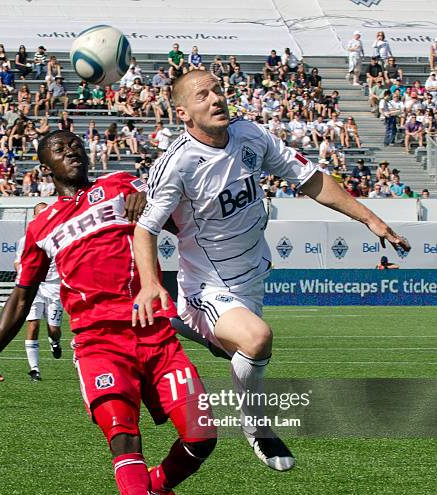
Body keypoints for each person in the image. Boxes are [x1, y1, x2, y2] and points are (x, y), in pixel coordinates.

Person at [0, 130, 216, 495]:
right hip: (99, 345)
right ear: (44, 167)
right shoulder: (41, 226)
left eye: (75, 144)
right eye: (59, 149)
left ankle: (159, 484)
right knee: (123, 440)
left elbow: (181, 220)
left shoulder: (120, 184)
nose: (71, 151)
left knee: (203, 437)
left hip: (155, 331)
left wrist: (149, 206)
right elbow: (22, 295)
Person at [132, 70, 410, 470]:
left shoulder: (251, 135)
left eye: (219, 91)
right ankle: (257, 428)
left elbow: (311, 179)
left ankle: (204, 333)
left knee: (248, 345)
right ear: (183, 114)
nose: (216, 99)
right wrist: (149, 284)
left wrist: (369, 219)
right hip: (208, 287)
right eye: (202, 96)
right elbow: (145, 229)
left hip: (251, 279)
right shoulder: (179, 163)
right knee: (258, 339)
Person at [14, 203, 63, 382]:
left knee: (54, 329)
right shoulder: (25, 239)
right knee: (33, 325)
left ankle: (55, 342)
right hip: (35, 286)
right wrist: (22, 274)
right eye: (40, 214)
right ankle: (34, 369)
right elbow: (18, 261)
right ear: (35, 217)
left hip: (55, 286)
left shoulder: (59, 236)